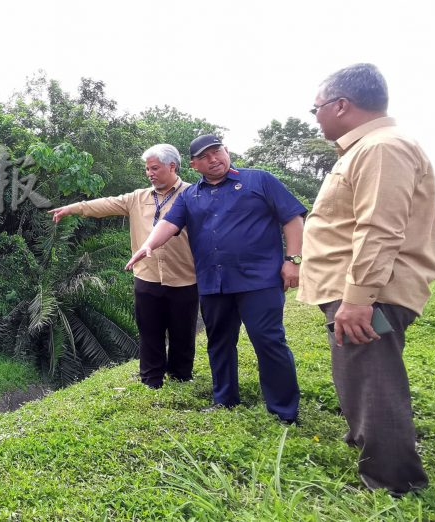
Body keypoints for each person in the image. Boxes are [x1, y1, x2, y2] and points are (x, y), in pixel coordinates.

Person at [298, 63, 435, 495]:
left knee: (374, 380)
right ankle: (367, 445)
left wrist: (358, 298)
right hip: (359, 290)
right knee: (358, 376)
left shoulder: (382, 147)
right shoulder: (371, 148)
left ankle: (393, 483)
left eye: (316, 107)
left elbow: (379, 228)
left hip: (368, 293)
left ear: (341, 105)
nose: (316, 115)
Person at [125, 134, 305, 423]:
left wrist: (293, 261)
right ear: (194, 164)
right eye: (205, 157)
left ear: (226, 151)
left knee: (268, 340)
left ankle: (284, 410)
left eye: (217, 152)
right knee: (219, 342)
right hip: (213, 282)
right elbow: (169, 224)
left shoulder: (259, 180)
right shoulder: (190, 195)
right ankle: (225, 399)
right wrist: (148, 245)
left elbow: (293, 218)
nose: (213, 159)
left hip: (258, 281)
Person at [49, 144, 198, 389]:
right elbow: (104, 204)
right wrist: (73, 208)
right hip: (147, 276)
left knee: (183, 331)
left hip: (184, 276)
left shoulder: (192, 194)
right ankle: (151, 378)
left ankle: (181, 376)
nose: (149, 173)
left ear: (172, 166)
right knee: (150, 331)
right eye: (147, 169)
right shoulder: (137, 198)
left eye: (155, 168)